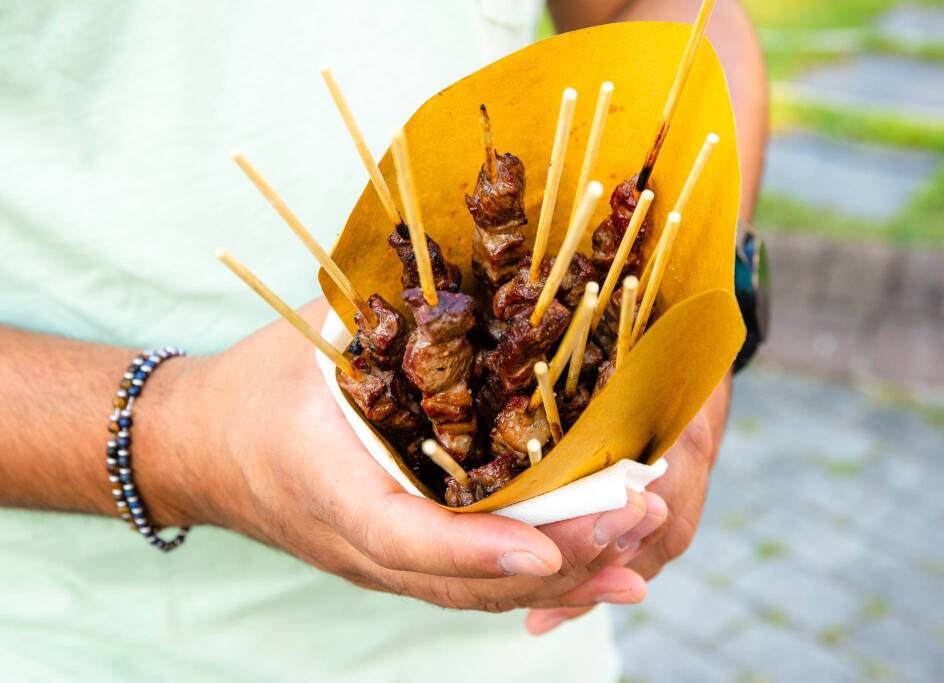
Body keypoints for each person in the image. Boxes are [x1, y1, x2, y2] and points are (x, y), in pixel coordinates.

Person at [0, 1, 767, 680]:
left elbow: (667, 12)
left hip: (526, 649)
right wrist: (182, 435)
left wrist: (702, 301)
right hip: (85, 640)